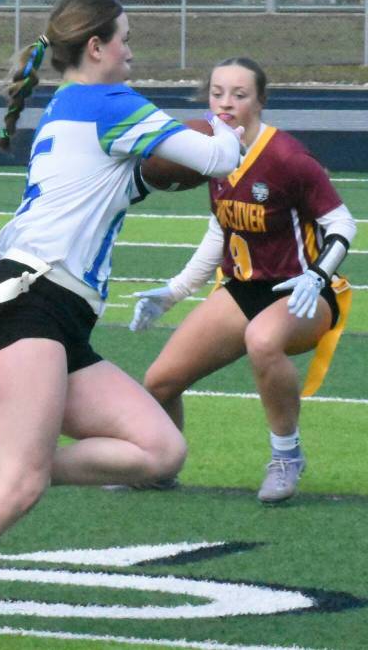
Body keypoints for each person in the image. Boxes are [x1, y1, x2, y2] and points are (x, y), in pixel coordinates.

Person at [0, 0, 244, 649]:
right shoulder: (104, 102)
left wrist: (166, 167)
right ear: (95, 47)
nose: (131, 50)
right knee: (22, 484)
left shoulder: (77, 110)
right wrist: (237, 121)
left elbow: (127, 180)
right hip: (26, 306)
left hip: (53, 314)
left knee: (159, 450)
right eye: (124, 38)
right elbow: (218, 158)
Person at [129, 57, 356, 504]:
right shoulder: (212, 154)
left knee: (263, 339)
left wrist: (318, 275)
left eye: (239, 94)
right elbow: (221, 230)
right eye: (217, 93)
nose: (226, 103)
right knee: (160, 382)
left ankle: (286, 455)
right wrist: (174, 291)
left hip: (303, 291)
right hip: (241, 289)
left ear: (260, 100)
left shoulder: (288, 157)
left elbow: (342, 223)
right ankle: (158, 467)